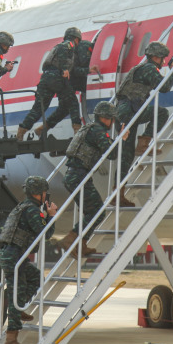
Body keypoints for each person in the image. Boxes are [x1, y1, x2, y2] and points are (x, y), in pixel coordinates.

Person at [0, 175, 57, 344]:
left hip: (11, 254)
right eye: (45, 192)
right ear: (39, 193)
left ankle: (19, 305)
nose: (47, 195)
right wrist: (51, 216)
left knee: (36, 278)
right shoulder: (31, 210)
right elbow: (45, 233)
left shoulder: (22, 206)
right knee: (17, 293)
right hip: (14, 256)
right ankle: (11, 339)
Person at [58, 101, 126, 258]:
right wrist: (121, 139)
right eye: (111, 118)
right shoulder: (98, 131)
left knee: (91, 211)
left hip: (74, 175)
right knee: (97, 212)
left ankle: (80, 243)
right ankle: (71, 239)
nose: (112, 122)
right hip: (79, 175)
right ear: (104, 117)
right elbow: (112, 154)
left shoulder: (87, 127)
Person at [115, 41, 173, 194]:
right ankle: (144, 143)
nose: (163, 61)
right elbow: (165, 88)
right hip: (130, 110)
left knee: (126, 156)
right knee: (161, 113)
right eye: (162, 58)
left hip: (129, 110)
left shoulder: (142, 67)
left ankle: (118, 193)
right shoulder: (149, 69)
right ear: (156, 57)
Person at [16, 27, 83, 140]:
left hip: (46, 78)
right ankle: (77, 132)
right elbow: (63, 51)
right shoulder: (68, 44)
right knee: (73, 103)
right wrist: (65, 69)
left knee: (38, 109)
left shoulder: (57, 47)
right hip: (57, 77)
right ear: (76, 39)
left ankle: (21, 131)